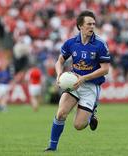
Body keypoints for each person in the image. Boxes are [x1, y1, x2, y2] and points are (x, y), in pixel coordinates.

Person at [44, 10, 111, 151]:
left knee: (78, 125)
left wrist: (84, 78)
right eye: (88, 24)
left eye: (93, 24)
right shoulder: (71, 43)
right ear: (80, 26)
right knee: (61, 113)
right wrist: (59, 75)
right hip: (74, 84)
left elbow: (105, 69)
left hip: (91, 86)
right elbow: (59, 61)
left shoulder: (100, 44)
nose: (92, 27)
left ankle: (92, 113)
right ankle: (52, 147)